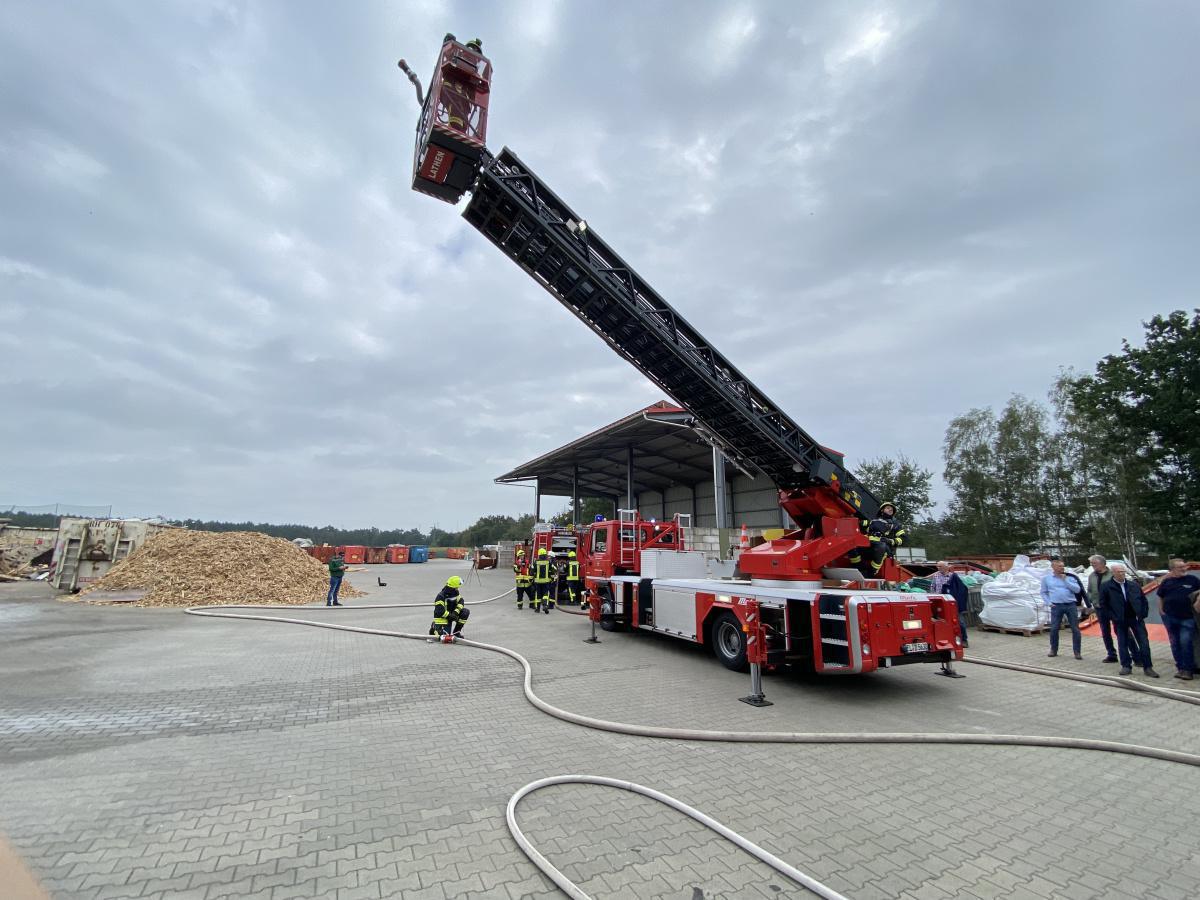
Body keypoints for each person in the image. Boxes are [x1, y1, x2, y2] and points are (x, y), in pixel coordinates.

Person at [1099, 563, 1159, 678]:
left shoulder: (1133, 585)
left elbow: (1143, 600)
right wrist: (1113, 617)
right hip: (1120, 620)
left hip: (1136, 619)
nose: (1122, 574)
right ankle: (1126, 666)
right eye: (1119, 572)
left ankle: (1148, 667)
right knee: (1123, 643)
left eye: (1123, 571)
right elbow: (1103, 604)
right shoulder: (1106, 587)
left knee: (1144, 643)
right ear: (1113, 573)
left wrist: (1142, 613)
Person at [1156, 558, 1199, 680]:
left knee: (1186, 643)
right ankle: (1180, 668)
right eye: (1180, 567)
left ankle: (1188, 670)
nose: (1184, 569)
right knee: (1175, 643)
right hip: (1170, 617)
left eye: (1184, 566)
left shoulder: (1193, 580)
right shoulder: (1167, 582)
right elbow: (1160, 596)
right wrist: (1161, 611)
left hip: (1187, 618)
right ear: (1172, 569)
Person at [848, 501, 907, 577]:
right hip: (868, 544)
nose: (890, 510)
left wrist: (890, 541)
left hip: (882, 548)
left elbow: (903, 538)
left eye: (892, 509)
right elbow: (859, 523)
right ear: (882, 510)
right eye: (888, 508)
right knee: (851, 545)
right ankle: (859, 568)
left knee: (881, 547)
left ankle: (871, 573)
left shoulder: (895, 525)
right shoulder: (873, 521)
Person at [1041, 558, 1083, 659]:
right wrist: (1049, 603)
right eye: (1059, 566)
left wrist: (1065, 580)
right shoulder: (1046, 579)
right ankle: (1053, 650)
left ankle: (1077, 652)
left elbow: (1077, 590)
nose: (1062, 568)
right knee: (1054, 628)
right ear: (1053, 567)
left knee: (1075, 629)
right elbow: (1043, 592)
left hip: (1070, 605)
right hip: (1056, 606)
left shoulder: (1070, 577)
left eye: (1063, 566)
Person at [930, 561, 970, 648]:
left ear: (946, 567)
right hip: (939, 603)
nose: (938, 568)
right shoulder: (935, 576)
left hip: (951, 603)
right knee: (941, 621)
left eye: (940, 566)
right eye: (937, 566)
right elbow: (932, 588)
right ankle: (946, 640)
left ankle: (964, 640)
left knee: (959, 621)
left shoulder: (953, 576)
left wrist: (958, 601)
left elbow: (961, 589)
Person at [1086, 555, 1118, 663]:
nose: (1092, 565)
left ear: (1103, 563)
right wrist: (1092, 601)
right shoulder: (1092, 576)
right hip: (1100, 608)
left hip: (1114, 608)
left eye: (1094, 563)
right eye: (1092, 564)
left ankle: (1135, 655)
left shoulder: (1112, 575)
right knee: (1105, 632)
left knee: (1121, 630)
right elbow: (1089, 590)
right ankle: (1111, 655)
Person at [430, 575, 469, 642]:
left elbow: (461, 601)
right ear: (454, 587)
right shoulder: (441, 596)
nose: (458, 588)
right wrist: (451, 616)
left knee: (465, 612)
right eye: (457, 587)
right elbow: (440, 612)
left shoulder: (455, 593)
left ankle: (456, 633)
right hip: (442, 619)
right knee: (444, 637)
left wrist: (455, 612)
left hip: (451, 615)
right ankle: (434, 628)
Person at [532, 547, 553, 614]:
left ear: (539, 554)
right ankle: (545, 605)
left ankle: (537, 609)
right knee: (545, 594)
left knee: (538, 595)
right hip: (546, 582)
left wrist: (534, 575)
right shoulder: (548, 562)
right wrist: (550, 575)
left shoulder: (536, 562)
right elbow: (553, 569)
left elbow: (532, 571)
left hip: (538, 582)